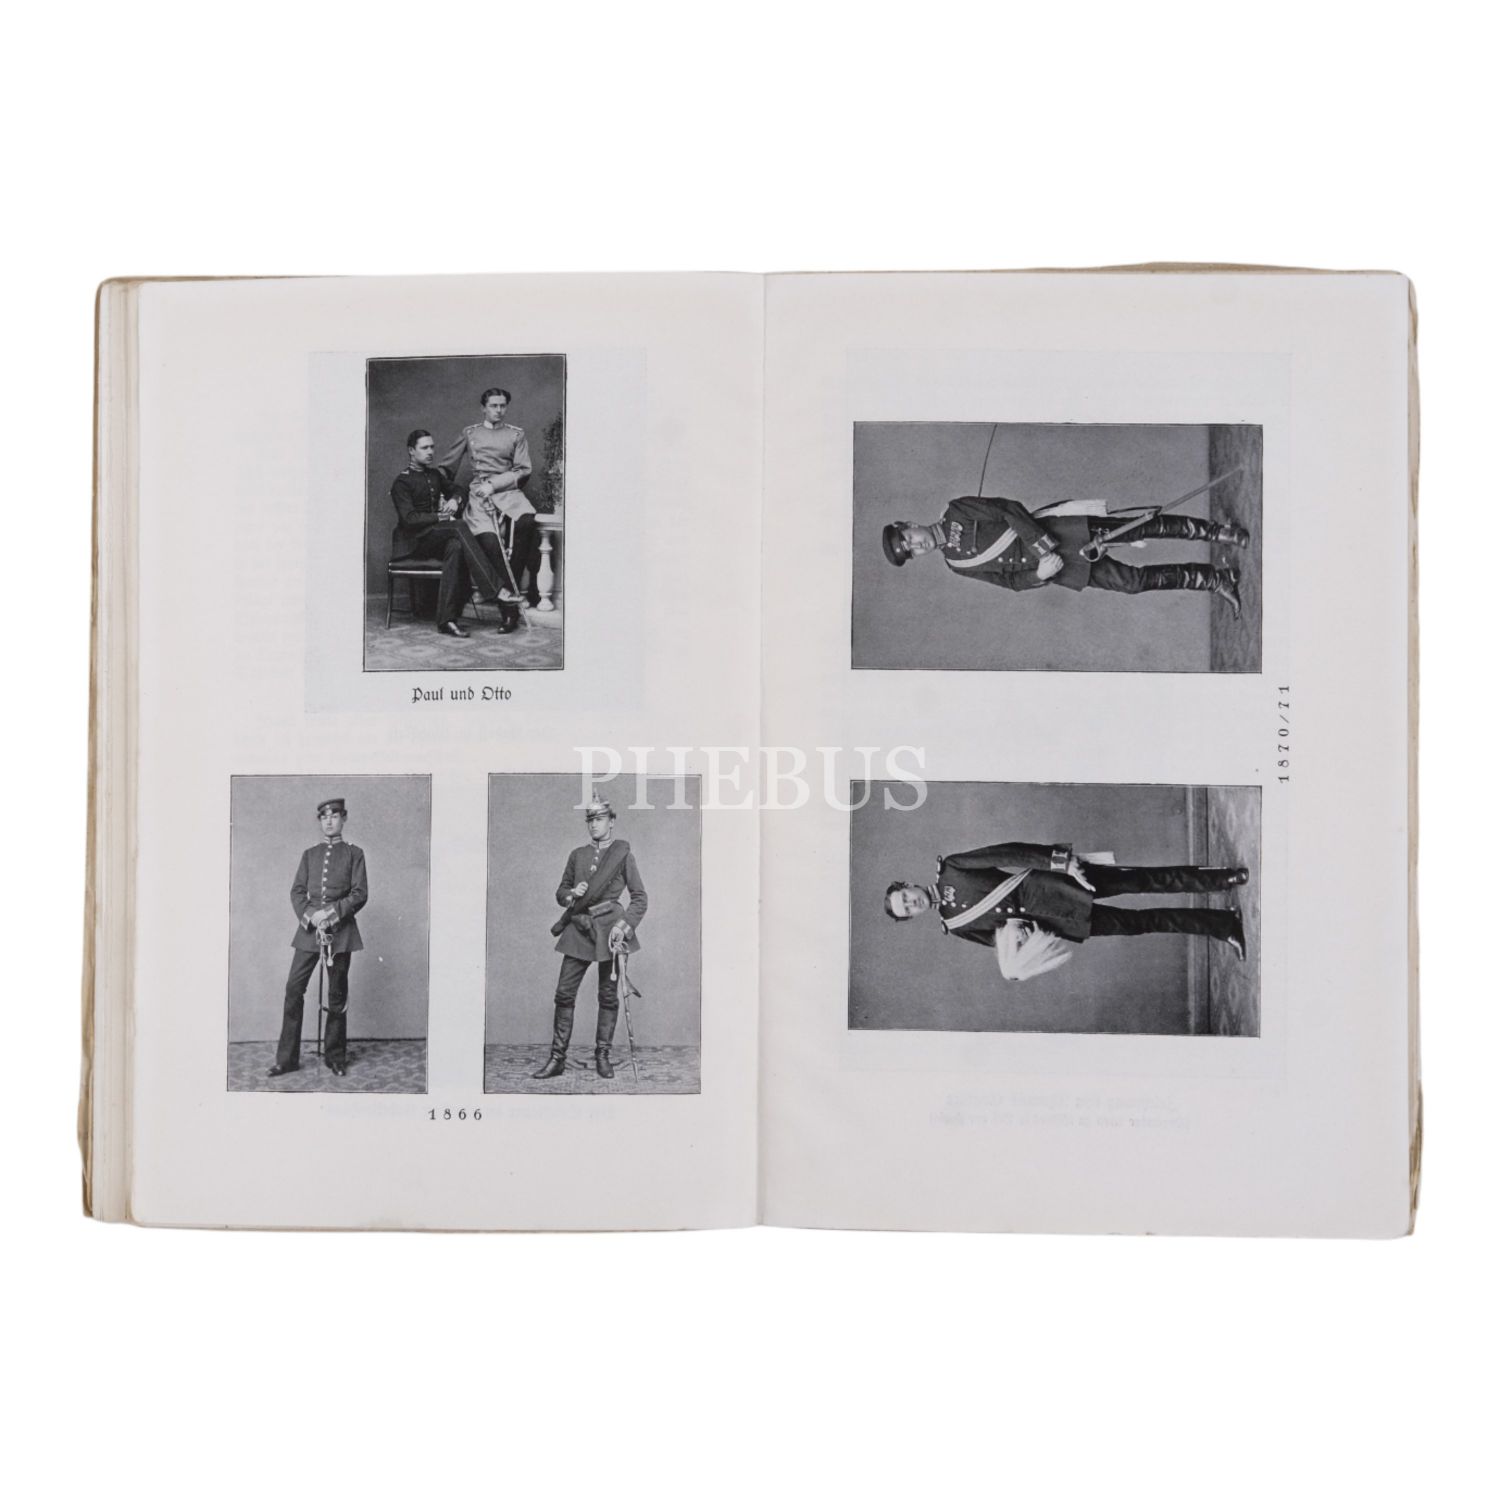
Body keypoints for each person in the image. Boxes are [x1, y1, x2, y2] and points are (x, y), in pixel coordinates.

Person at [885, 840, 1246, 981]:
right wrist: (1020, 948)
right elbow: (999, 942)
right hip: (1059, 920)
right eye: (907, 910)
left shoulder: (952, 868)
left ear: (908, 885)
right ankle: (1223, 924)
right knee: (1140, 923)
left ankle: (1222, 878)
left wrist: (1063, 863)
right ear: (913, 917)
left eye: (906, 897)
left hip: (1058, 883)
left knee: (1145, 880)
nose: (912, 903)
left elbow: (1009, 853)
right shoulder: (955, 926)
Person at [882, 493, 1247, 616]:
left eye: (909, 538)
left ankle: (1218, 532)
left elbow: (1010, 510)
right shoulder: (957, 565)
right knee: (1133, 583)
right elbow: (1009, 582)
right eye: (911, 551)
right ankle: (1215, 579)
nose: (917, 546)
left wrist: (1042, 547)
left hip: (1064, 534)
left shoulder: (957, 510)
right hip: (1062, 567)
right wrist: (1039, 574)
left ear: (911, 524)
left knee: (1140, 527)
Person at [533, 797, 648, 1080]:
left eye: (599, 819)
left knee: (607, 995)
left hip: (610, 930)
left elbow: (640, 898)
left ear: (612, 822)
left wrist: (624, 926)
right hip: (580, 926)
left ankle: (602, 1056)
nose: (594, 825)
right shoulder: (577, 855)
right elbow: (561, 892)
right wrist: (572, 894)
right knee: (564, 993)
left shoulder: (623, 855)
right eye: (590, 820)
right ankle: (557, 1059)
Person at [269, 798, 368, 1078]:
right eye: (324, 817)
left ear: (343, 819)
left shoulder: (354, 853)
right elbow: (297, 892)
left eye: (334, 816)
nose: (329, 821)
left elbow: (360, 893)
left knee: (337, 995)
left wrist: (332, 914)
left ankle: (335, 1057)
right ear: (320, 821)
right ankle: (287, 1059)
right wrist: (312, 916)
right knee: (293, 989)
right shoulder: (309, 855)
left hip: (341, 933)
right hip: (309, 932)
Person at [441, 387, 540, 625]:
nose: (499, 410)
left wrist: (494, 485)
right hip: (479, 497)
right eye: (494, 406)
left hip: (508, 493)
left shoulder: (516, 434)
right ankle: (509, 611)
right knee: (490, 543)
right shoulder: (470, 433)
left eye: (503, 405)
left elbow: (523, 470)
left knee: (527, 522)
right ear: (483, 408)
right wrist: (442, 495)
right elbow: (446, 468)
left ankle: (510, 599)